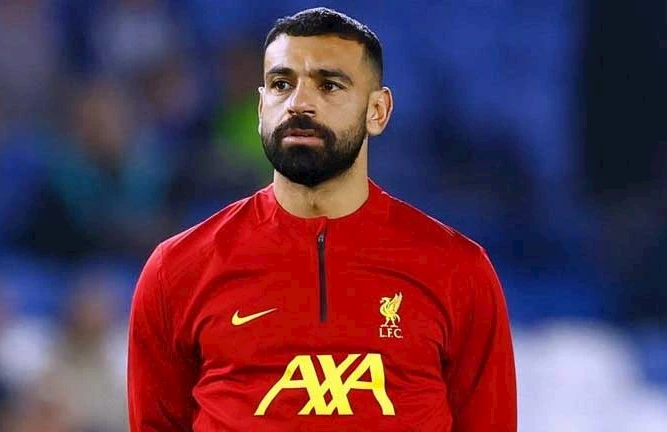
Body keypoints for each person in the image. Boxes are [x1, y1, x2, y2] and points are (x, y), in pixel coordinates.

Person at [127, 7, 517, 432]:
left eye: (329, 85)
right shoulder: (177, 271)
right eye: (281, 84)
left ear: (377, 111)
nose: (299, 104)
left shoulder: (459, 272)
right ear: (260, 107)